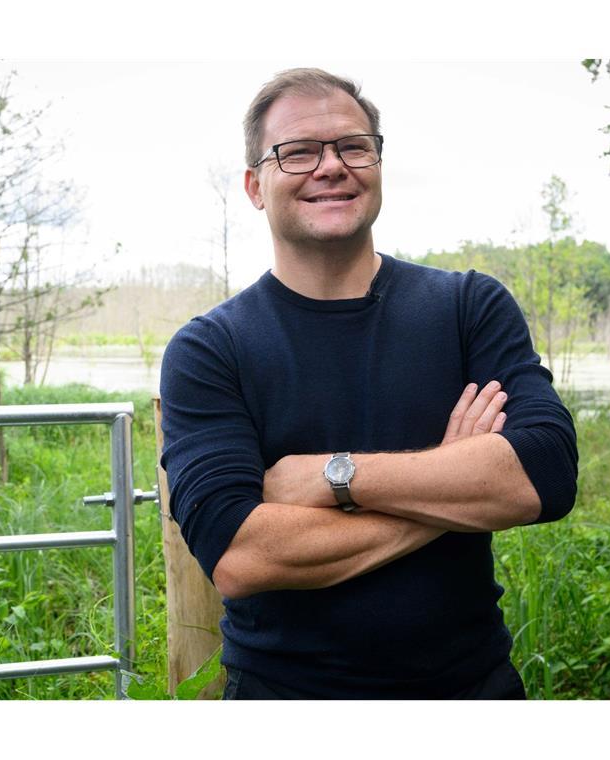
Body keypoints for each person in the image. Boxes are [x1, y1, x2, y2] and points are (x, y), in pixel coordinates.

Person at [159, 68, 577, 699]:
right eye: (298, 152)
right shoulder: (210, 349)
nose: (332, 167)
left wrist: (335, 476)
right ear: (254, 185)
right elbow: (241, 557)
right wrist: (454, 482)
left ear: (378, 162)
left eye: (353, 146)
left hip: (470, 691)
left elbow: (544, 474)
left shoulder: (468, 307)